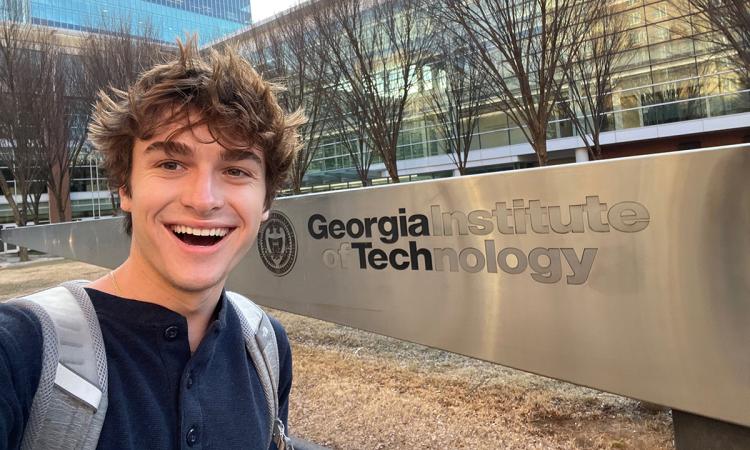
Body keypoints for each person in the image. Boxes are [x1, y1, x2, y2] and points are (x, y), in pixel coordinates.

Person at [0, 39, 305, 449]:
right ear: (125, 187)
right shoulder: (20, 352)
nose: (203, 199)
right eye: (171, 164)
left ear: (266, 202)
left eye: (235, 169)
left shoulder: (266, 347)